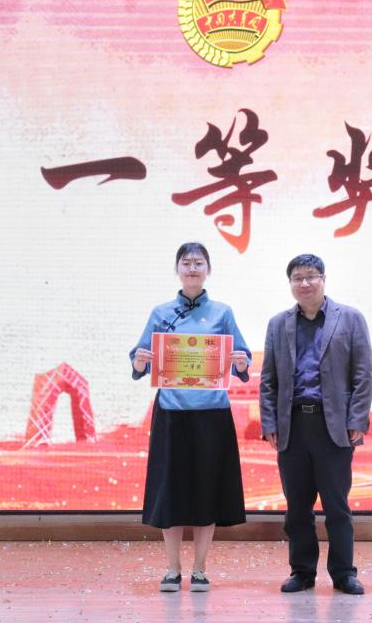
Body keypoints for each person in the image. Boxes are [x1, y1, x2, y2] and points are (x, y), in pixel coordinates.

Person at [130, 242, 252, 593]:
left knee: (206, 491)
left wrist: (241, 362)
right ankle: (172, 569)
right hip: (172, 413)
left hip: (212, 414)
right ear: (178, 269)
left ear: (208, 269)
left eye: (199, 262)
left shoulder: (223, 313)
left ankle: (200, 569)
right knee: (170, 492)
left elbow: (241, 357)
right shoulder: (161, 313)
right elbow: (140, 360)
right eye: (186, 262)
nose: (193, 268)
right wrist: (140, 361)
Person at [259, 253, 372, 595]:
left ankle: (344, 574)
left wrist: (357, 419)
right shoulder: (278, 324)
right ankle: (302, 572)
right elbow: (268, 380)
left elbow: (363, 374)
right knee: (297, 508)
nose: (305, 283)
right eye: (297, 278)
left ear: (323, 279)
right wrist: (269, 422)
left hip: (333, 426)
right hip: (292, 426)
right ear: (290, 284)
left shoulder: (350, 319)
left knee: (337, 506)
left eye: (311, 276)